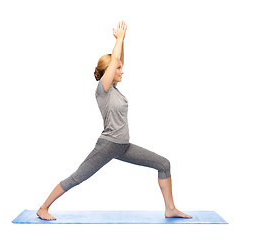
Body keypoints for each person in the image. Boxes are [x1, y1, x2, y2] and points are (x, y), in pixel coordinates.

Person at [36, 21, 192, 220]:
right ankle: (43, 207)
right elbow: (116, 59)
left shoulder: (115, 91)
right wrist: (118, 40)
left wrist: (122, 41)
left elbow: (119, 60)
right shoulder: (103, 90)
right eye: (117, 69)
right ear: (109, 71)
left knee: (163, 164)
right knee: (77, 177)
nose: (122, 71)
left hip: (123, 146)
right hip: (108, 146)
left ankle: (170, 209)